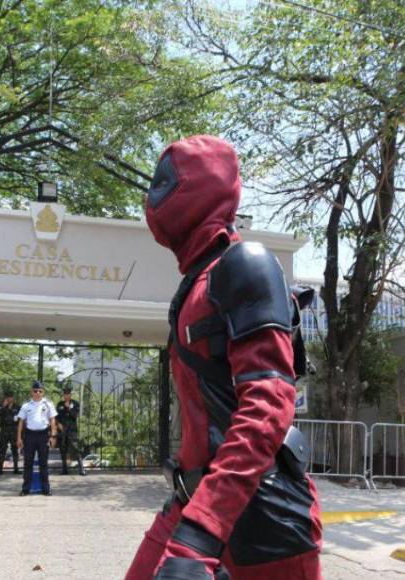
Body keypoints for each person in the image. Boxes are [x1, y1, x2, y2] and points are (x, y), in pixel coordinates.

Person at [125, 135, 321, 579]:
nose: (150, 198)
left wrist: (200, 532)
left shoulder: (246, 265)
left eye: (164, 183)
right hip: (195, 502)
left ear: (203, 184)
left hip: (264, 521)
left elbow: (268, 406)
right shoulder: (197, 283)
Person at [16, 381, 57, 496]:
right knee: (27, 463)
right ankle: (25, 489)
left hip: (43, 435)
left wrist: (53, 436)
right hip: (30, 435)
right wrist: (19, 438)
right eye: (35, 391)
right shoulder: (26, 405)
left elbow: (52, 420)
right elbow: (20, 422)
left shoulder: (48, 404)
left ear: (43, 392)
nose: (37, 393)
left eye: (40, 391)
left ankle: (46, 489)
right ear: (32, 392)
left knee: (43, 463)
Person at [56, 386, 85, 476]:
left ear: (70, 395)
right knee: (62, 449)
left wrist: (68, 408)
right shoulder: (59, 404)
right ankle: (64, 469)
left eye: (68, 394)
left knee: (76, 449)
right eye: (65, 394)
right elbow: (55, 416)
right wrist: (58, 424)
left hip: (72, 430)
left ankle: (81, 469)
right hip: (62, 430)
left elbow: (74, 416)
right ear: (63, 395)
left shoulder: (75, 404)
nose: (66, 396)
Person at [0, 390, 20, 475]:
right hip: (4, 430)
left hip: (14, 430)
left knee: (15, 449)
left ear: (13, 398)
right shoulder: (1, 407)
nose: (9, 399)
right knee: (2, 449)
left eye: (10, 397)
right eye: (7, 397)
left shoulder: (18, 407)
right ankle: (0, 469)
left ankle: (16, 469)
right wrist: (3, 406)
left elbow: (21, 419)